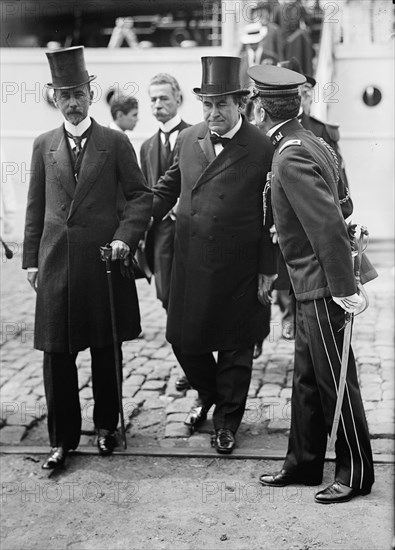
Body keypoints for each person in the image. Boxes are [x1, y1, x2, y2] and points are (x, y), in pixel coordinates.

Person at [248, 64, 374, 503]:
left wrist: (345, 287)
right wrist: (287, 227)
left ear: (262, 108)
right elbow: (344, 201)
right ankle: (302, 463)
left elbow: (326, 225)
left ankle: (355, 473)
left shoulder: (290, 154)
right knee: (306, 378)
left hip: (322, 284)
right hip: (308, 283)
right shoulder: (313, 140)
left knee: (335, 381)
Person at [22, 46, 153, 469]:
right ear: (53, 97)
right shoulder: (44, 145)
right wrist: (30, 259)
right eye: (65, 95)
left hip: (103, 264)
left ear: (91, 93)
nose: (73, 102)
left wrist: (125, 238)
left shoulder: (114, 143)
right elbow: (35, 205)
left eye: (79, 92)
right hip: (57, 264)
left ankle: (107, 428)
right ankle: (62, 440)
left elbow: (139, 196)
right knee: (57, 353)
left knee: (105, 350)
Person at [152, 56, 277, 454]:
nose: (213, 112)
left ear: (241, 104)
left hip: (239, 267)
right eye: (207, 104)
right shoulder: (190, 139)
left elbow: (273, 215)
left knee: (237, 350)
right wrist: (125, 223)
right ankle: (208, 394)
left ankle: (226, 422)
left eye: (222, 103)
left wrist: (267, 271)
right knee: (184, 341)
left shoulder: (262, 147)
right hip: (192, 263)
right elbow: (166, 189)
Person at [140, 73, 191, 392]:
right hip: (160, 238)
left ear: (179, 100)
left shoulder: (197, 137)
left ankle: (194, 363)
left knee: (193, 302)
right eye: (153, 99)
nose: (158, 105)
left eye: (164, 99)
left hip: (191, 235)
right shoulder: (146, 147)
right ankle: (189, 362)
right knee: (166, 299)